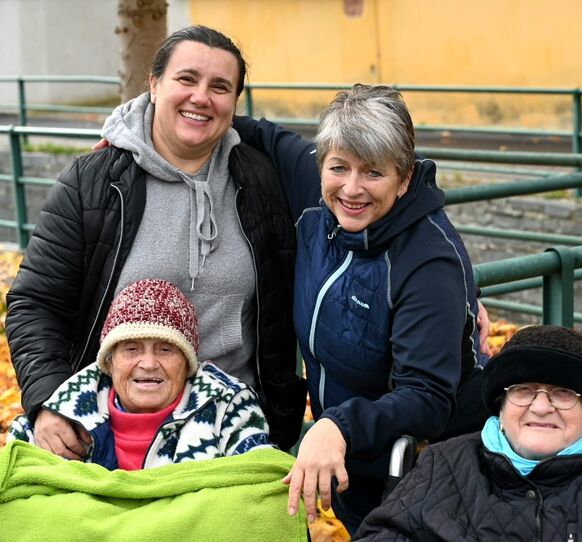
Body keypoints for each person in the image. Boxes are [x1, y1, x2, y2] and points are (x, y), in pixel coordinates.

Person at [5, 26, 306, 456]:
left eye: (219, 86)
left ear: (235, 103)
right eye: (186, 79)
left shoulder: (262, 182)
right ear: (153, 84)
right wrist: (49, 401)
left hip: (234, 432)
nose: (201, 97)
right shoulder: (93, 184)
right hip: (107, 434)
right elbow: (36, 303)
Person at [231, 84, 489, 534]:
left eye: (373, 173)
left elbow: (428, 398)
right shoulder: (317, 191)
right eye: (339, 168)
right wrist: (142, 124)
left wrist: (336, 426)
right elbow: (252, 130)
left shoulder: (429, 261)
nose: (351, 189)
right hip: (353, 460)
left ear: (404, 177)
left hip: (422, 470)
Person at [355, 325, 582, 541]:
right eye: (523, 390)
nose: (540, 407)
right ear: (502, 401)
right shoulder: (444, 463)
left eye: (563, 393)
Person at [8, 279, 272, 468]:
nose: (148, 363)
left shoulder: (229, 409)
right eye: (132, 349)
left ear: (188, 364)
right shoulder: (60, 415)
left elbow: (257, 486)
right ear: (109, 363)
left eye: (166, 349)